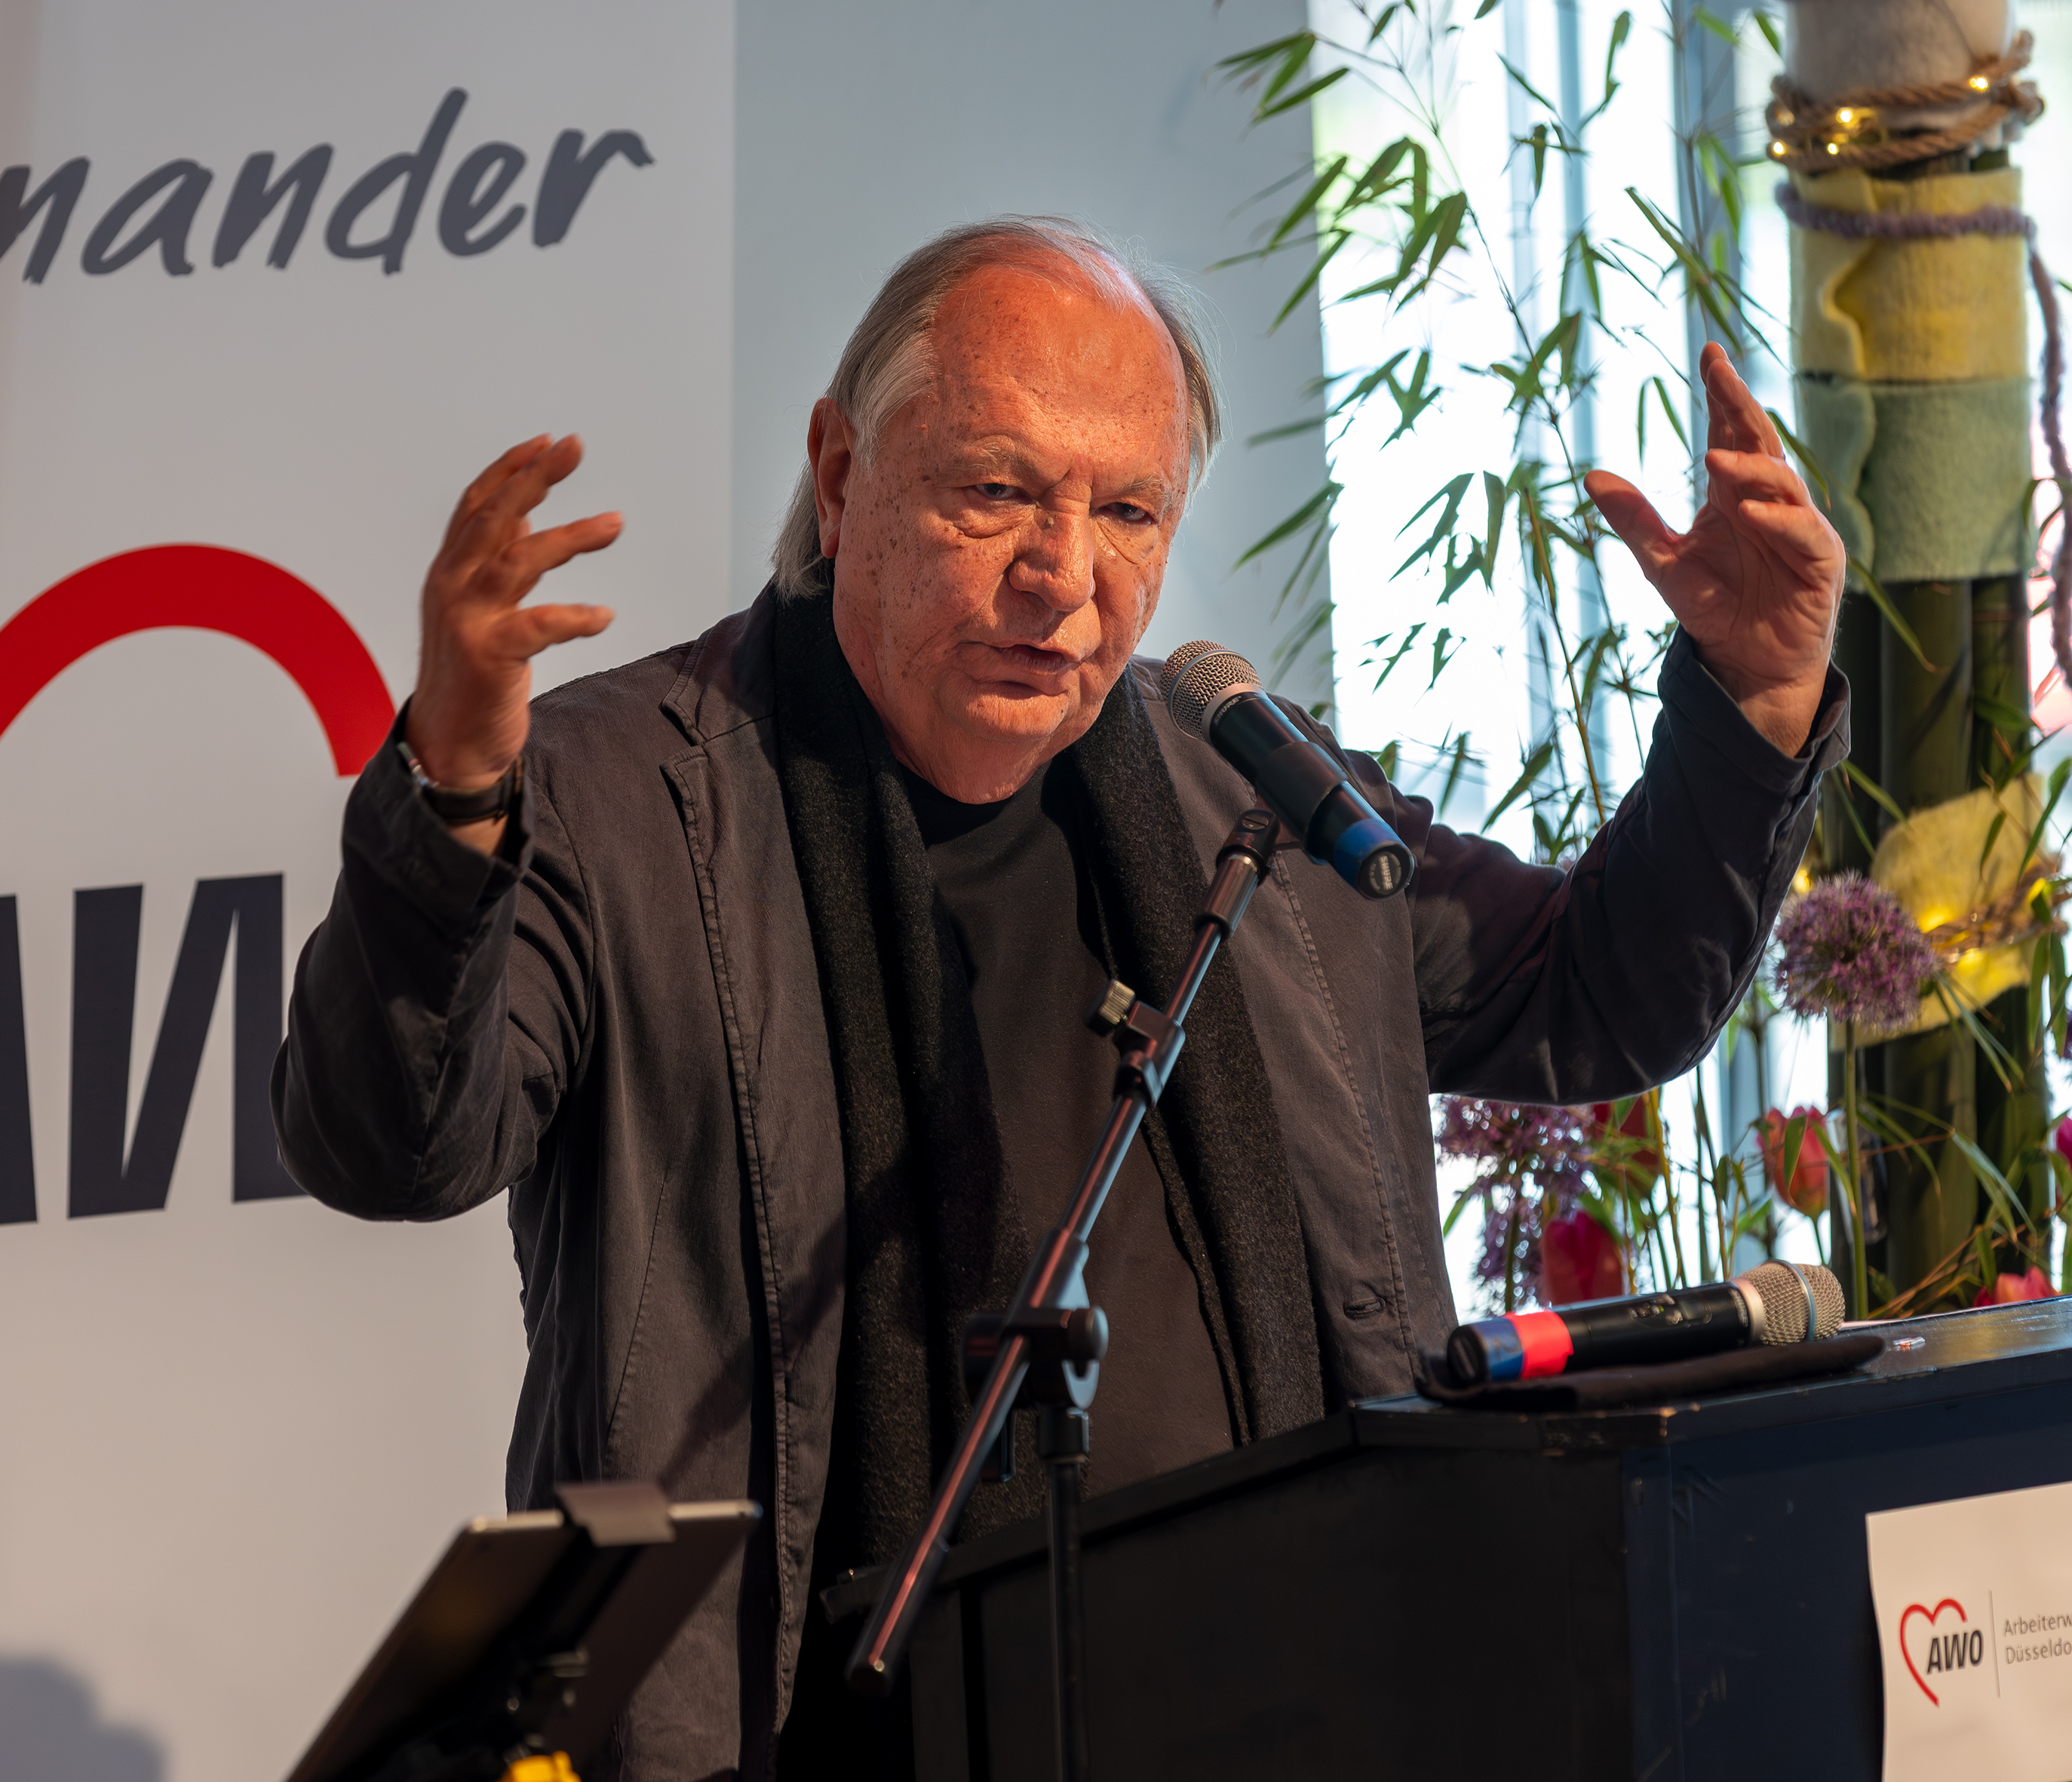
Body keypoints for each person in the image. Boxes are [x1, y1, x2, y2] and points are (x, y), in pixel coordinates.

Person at [275, 216, 1846, 1780]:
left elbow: (1593, 992)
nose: (1063, 575)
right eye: (996, 491)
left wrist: (1753, 701)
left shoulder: (1252, 799)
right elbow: (390, 1145)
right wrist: (453, 798)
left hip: (1283, 1706)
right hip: (807, 1739)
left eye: (1128, 510)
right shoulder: (617, 796)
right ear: (840, 475)